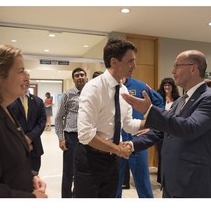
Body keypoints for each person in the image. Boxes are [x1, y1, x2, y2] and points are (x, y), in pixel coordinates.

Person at [122, 50, 211, 198]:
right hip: (172, 179)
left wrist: (150, 110)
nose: (173, 71)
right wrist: (132, 145)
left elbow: (190, 128)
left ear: (193, 68)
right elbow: (162, 131)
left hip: (193, 180)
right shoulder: (180, 101)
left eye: (177, 66)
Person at [74, 38, 145, 198]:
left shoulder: (123, 89)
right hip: (90, 159)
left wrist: (153, 121)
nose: (134, 66)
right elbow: (86, 135)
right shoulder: (93, 88)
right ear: (114, 62)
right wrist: (118, 149)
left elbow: (128, 125)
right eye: (130, 61)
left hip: (112, 161)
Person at [0, 44, 47, 198]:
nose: (26, 77)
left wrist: (30, 176)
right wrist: (32, 199)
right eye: (21, 71)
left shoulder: (4, 109)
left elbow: (8, 162)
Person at [116, 77, 164, 198]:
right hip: (116, 142)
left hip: (137, 140)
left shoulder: (140, 86)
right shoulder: (109, 87)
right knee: (114, 183)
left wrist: (152, 124)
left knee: (142, 181)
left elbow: (158, 102)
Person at [55, 67, 87, 198]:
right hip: (71, 137)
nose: (80, 77)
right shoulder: (68, 94)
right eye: (77, 75)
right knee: (69, 171)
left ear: (86, 77)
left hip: (87, 137)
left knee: (84, 170)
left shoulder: (92, 93)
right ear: (73, 79)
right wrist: (61, 138)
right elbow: (58, 117)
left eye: (82, 75)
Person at [8, 70, 47, 174]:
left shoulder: (38, 101)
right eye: (23, 78)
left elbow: (42, 121)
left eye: (27, 78)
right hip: (15, 147)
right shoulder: (10, 100)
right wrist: (22, 139)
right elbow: (8, 122)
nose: (26, 81)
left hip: (35, 147)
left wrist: (29, 137)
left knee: (34, 176)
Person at [156, 77, 180, 183]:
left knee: (172, 154)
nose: (167, 87)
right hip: (161, 129)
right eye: (165, 85)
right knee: (162, 154)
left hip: (173, 130)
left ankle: (171, 177)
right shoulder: (159, 98)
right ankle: (161, 178)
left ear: (172, 87)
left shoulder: (178, 99)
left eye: (169, 85)